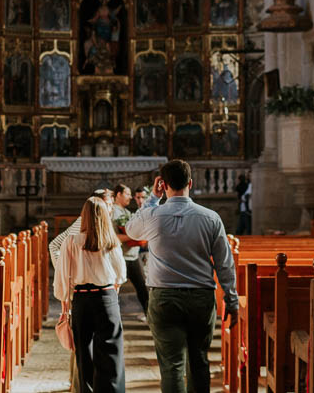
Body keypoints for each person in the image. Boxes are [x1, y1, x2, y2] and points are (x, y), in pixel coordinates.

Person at [125, 160, 238, 393]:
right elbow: (224, 263)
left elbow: (131, 229)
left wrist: (153, 198)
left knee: (171, 366)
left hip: (164, 297)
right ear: (190, 183)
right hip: (200, 297)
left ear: (162, 184)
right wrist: (231, 299)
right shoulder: (210, 217)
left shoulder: (153, 214)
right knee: (198, 361)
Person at [53, 196, 127, 393]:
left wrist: (64, 301)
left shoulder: (71, 241)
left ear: (83, 216)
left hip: (81, 299)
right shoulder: (111, 241)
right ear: (104, 216)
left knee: (84, 354)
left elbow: (62, 277)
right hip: (106, 296)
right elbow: (121, 274)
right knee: (111, 353)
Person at [110, 184, 148, 316]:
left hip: (133, 256)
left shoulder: (126, 212)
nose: (130, 197)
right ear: (118, 195)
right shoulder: (113, 212)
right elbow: (113, 237)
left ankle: (151, 317)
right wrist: (133, 235)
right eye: (127, 194)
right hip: (120, 257)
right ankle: (111, 317)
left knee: (142, 288)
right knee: (115, 289)